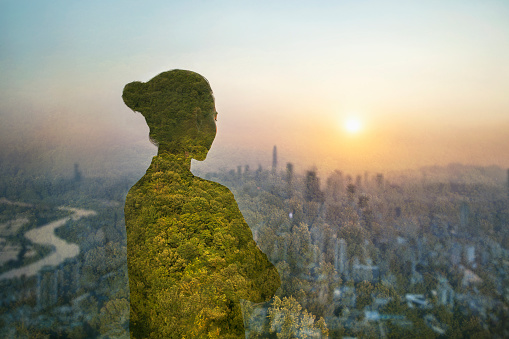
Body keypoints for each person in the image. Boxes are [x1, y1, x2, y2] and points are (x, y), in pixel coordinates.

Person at [123, 70, 280, 338]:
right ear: (196, 118)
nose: (215, 126)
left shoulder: (137, 197)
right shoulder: (213, 200)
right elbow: (262, 285)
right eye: (214, 117)